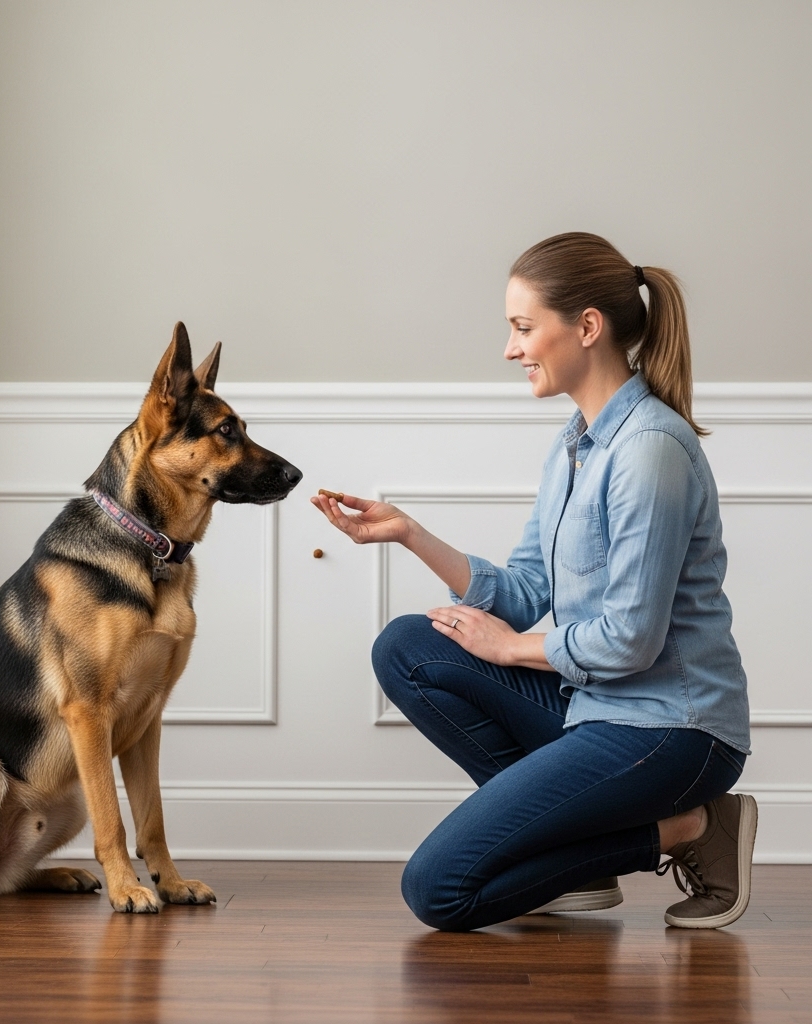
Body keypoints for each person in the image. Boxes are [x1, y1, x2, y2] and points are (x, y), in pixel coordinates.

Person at [311, 232, 755, 931]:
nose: (511, 349)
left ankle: (685, 828)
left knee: (438, 890)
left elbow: (632, 640)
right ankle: (585, 857)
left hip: (673, 730)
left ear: (586, 327)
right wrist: (409, 533)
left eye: (523, 328)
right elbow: (521, 590)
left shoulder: (650, 453)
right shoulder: (575, 445)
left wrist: (511, 650)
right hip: (596, 705)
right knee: (407, 646)